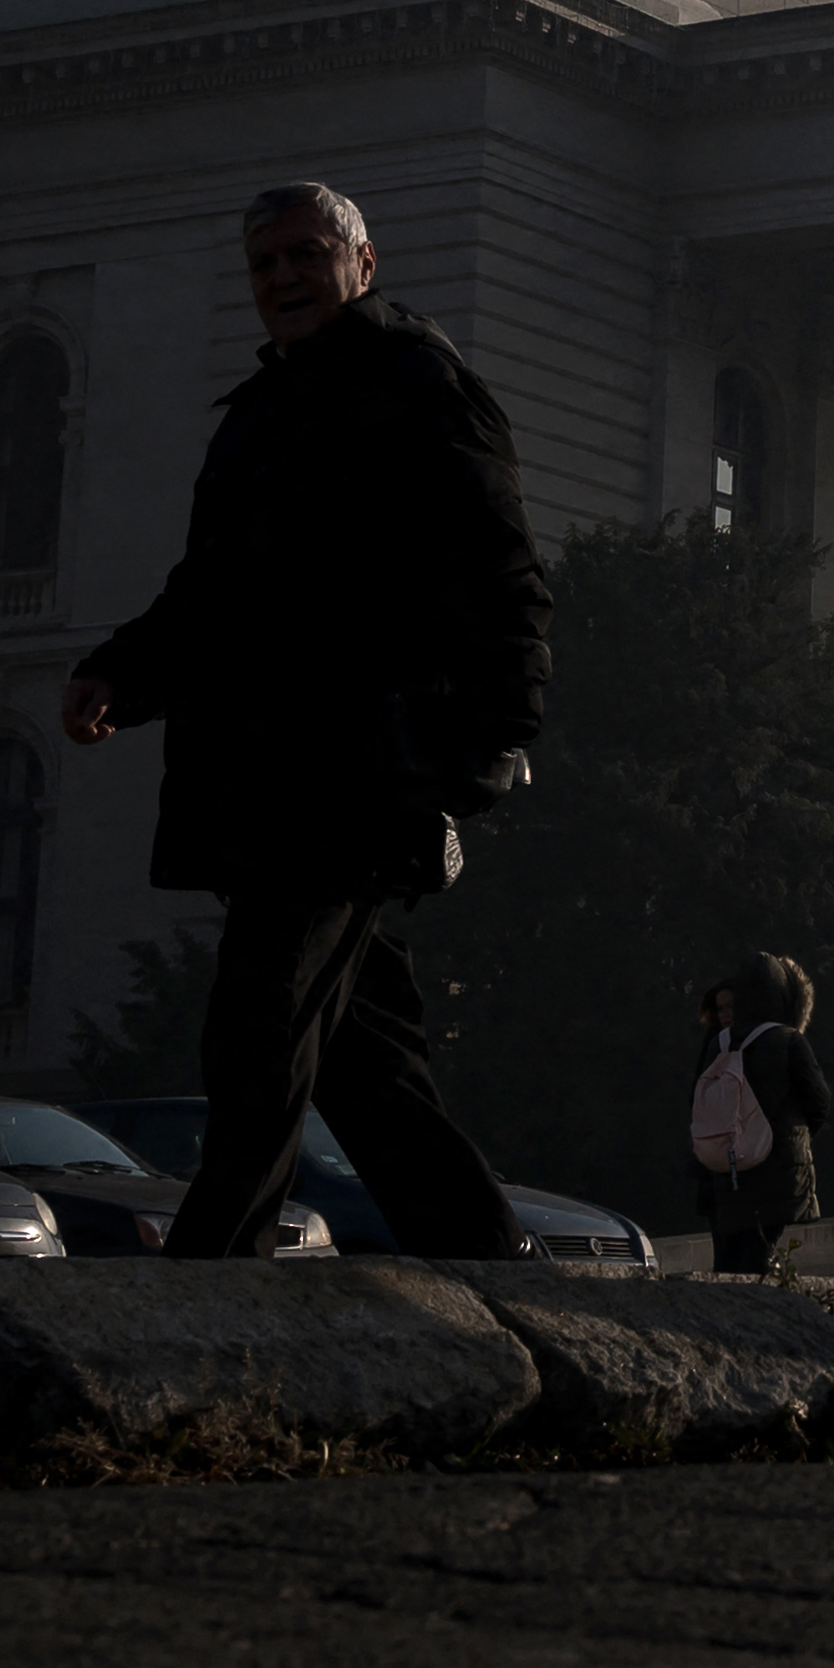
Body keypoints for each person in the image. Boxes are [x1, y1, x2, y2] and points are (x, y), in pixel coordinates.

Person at [63, 181, 550, 1260]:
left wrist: (494, 735)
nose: (281, 277)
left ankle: (210, 1272)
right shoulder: (261, 412)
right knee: (357, 1056)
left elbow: (499, 567)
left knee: (258, 1018)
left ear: (362, 263)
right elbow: (211, 593)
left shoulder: (420, 386)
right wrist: (120, 674)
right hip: (262, 768)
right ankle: (484, 1249)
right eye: (263, 262)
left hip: (357, 767)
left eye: (303, 254)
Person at [688, 956, 832, 1274]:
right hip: (777, 1168)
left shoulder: (719, 1043)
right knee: (759, 1254)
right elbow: (819, 1100)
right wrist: (795, 1136)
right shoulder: (787, 1040)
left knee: (728, 1261)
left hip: (728, 1169)